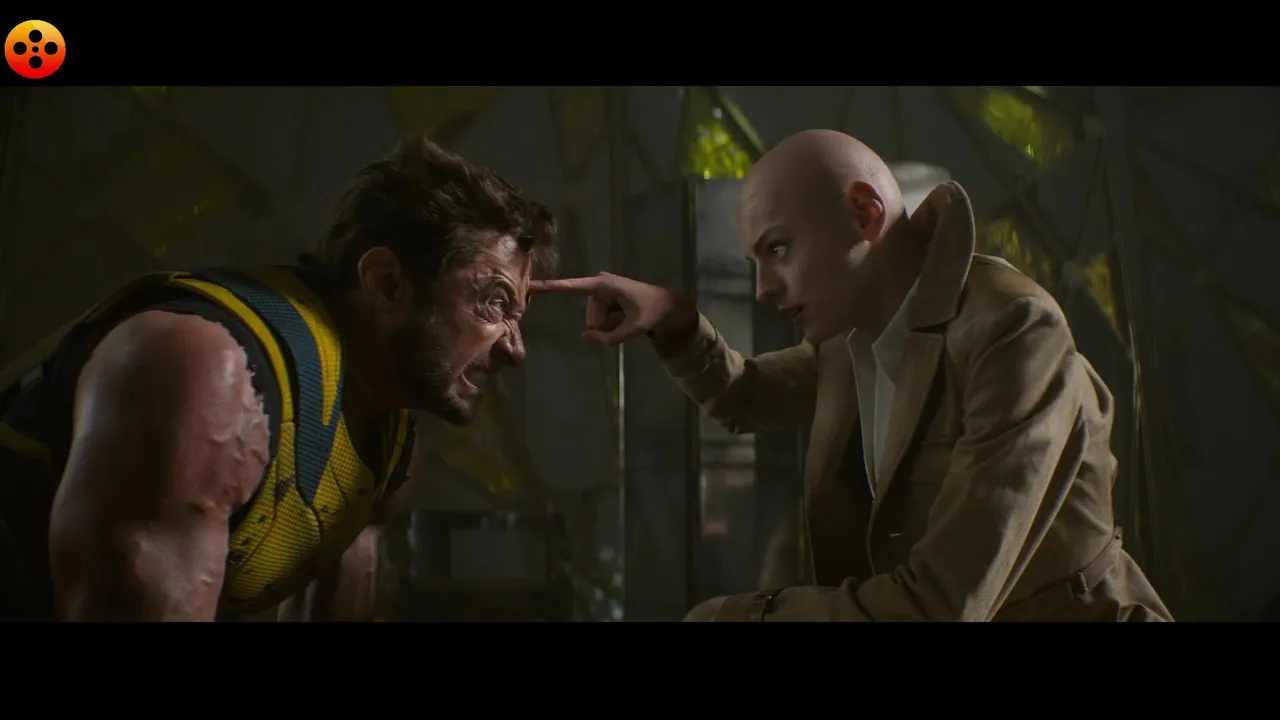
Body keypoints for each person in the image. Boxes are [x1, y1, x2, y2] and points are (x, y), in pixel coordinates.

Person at [533, 129, 1171, 622]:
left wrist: (742, 616)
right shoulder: (853, 337)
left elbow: (943, 603)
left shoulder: (1012, 329)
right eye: (755, 260)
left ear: (864, 213)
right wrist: (673, 319)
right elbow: (745, 395)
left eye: (778, 249)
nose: (762, 289)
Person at [0, 135, 556, 621]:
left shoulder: (390, 445)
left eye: (517, 316)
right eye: (493, 302)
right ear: (387, 283)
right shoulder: (208, 376)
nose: (515, 350)